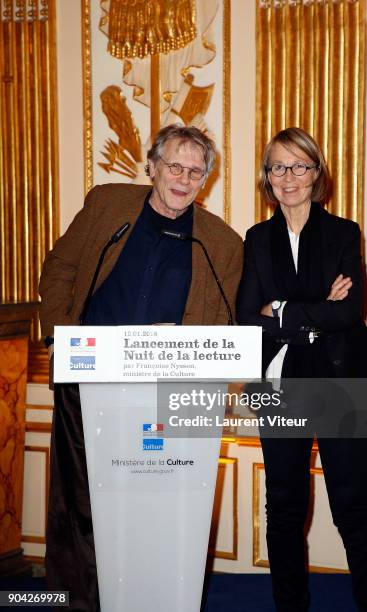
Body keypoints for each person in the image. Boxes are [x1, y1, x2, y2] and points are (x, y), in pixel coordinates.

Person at [39, 124, 243, 612]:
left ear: (206, 180)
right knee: (81, 503)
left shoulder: (222, 243)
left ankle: (152, 598)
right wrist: (60, 339)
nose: (183, 178)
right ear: (151, 166)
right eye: (174, 165)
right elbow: (59, 268)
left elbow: (229, 320)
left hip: (167, 393)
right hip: (88, 384)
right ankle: (78, 603)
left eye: (195, 171)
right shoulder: (107, 205)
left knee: (155, 501)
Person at [236, 127, 367, 612]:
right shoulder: (257, 239)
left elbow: (349, 313)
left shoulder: (343, 232)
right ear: (267, 177)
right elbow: (246, 317)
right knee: (284, 509)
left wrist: (280, 311)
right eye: (278, 167)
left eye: (300, 166)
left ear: (316, 173)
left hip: (343, 384)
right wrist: (313, 311)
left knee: (354, 511)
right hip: (280, 385)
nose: (289, 177)